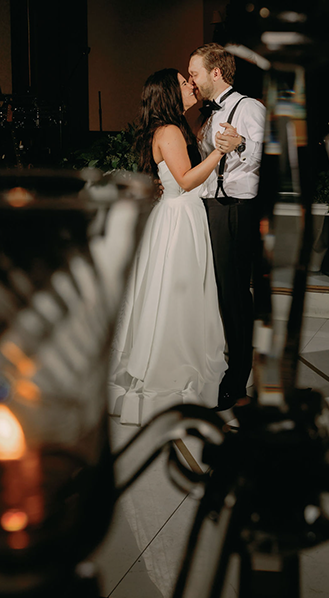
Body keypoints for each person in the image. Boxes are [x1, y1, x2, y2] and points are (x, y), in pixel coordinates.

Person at [108, 68, 229, 426]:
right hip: (179, 219)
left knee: (173, 294)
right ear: (169, 94)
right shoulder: (171, 131)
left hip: (177, 215)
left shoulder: (170, 129)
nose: (190, 85)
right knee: (178, 294)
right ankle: (172, 368)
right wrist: (220, 153)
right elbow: (188, 180)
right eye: (182, 82)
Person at [188, 43, 266, 412]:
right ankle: (220, 367)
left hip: (235, 207)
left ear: (215, 73)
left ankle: (237, 380)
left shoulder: (249, 107)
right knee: (218, 292)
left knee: (234, 294)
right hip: (212, 205)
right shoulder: (208, 115)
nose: (192, 79)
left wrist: (239, 144)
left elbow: (257, 156)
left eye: (196, 73)